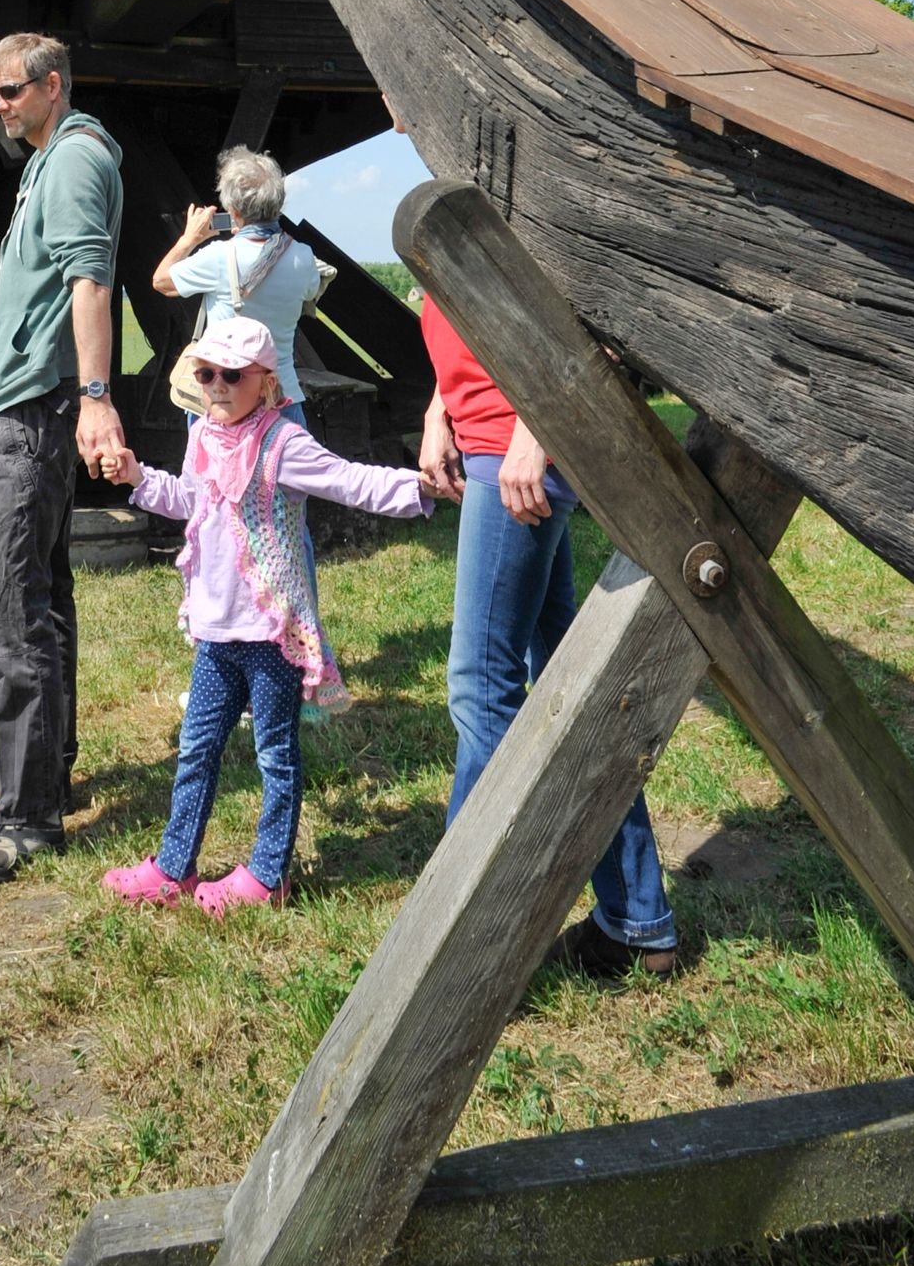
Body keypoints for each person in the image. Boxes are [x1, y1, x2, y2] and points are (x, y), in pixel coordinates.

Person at [102, 317, 432, 912]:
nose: (217, 385)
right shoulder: (202, 435)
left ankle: (268, 875)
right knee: (196, 750)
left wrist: (420, 489)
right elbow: (188, 500)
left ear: (266, 381)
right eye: (207, 374)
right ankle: (174, 867)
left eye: (232, 375)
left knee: (275, 755)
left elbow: (349, 481)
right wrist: (136, 478)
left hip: (270, 632)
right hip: (215, 631)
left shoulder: (282, 443)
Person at [418, 293, 680, 979]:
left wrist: (538, 428)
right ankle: (636, 920)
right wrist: (438, 406)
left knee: (481, 690)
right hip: (490, 436)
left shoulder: (530, 182)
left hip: (517, 448)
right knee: (571, 684)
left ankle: (461, 950)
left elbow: (607, 310)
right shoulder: (480, 179)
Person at [0, 32, 128, 887]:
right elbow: (43, 280)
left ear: (51, 85)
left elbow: (90, 281)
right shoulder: (46, 162)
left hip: (41, 414)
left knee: (9, 609)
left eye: (10, 90)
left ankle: (25, 819)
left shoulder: (77, 160)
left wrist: (96, 397)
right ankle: (39, 769)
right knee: (40, 601)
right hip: (23, 398)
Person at [152, 147, 331, 410]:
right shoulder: (303, 256)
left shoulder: (219, 256)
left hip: (226, 401)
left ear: (233, 209)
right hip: (282, 397)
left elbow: (161, 281)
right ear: (278, 203)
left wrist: (188, 239)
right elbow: (309, 292)